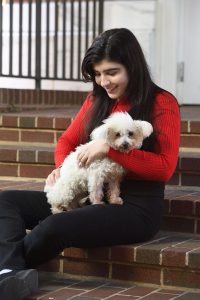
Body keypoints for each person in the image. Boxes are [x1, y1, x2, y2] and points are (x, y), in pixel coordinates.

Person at [0, 28, 180, 299]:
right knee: (5, 201)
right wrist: (63, 169)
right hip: (86, 194)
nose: (103, 81)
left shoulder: (162, 103)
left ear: (133, 66)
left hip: (134, 208)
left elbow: (165, 167)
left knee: (54, 225)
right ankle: (8, 273)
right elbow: (66, 142)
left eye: (111, 72)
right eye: (97, 74)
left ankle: (6, 269)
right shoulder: (97, 99)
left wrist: (109, 149)